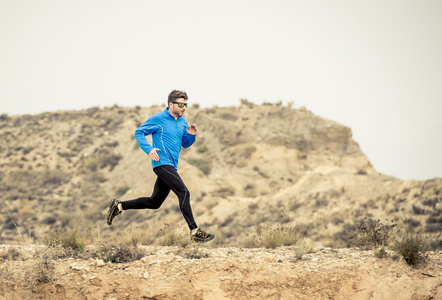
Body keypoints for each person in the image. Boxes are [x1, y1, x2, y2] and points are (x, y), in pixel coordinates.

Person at [106, 90, 214, 243]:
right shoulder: (159, 119)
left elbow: (185, 144)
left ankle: (119, 206)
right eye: (181, 104)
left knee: (154, 202)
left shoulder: (182, 122)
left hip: (172, 165)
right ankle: (195, 231)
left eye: (186, 104)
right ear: (171, 104)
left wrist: (191, 135)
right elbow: (139, 132)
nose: (184, 107)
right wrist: (149, 149)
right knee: (184, 192)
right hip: (161, 163)